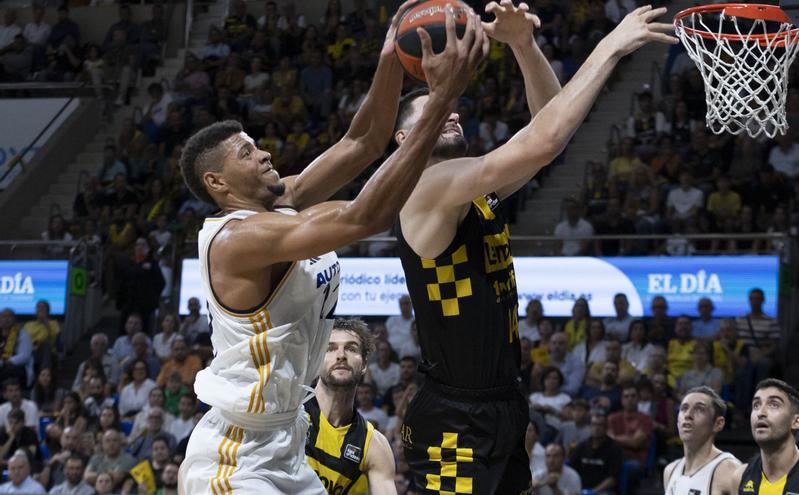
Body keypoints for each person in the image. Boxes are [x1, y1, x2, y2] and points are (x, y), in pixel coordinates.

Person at [179, 3, 483, 493]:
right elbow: (367, 215)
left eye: (257, 145)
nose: (264, 153)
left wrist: (389, 54)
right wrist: (441, 100)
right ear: (217, 181)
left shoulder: (283, 204)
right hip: (235, 456)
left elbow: (363, 141)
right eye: (247, 153)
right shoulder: (238, 240)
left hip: (288, 439)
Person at [391, 3, 674, 492]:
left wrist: (523, 46)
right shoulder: (422, 189)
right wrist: (610, 46)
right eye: (432, 111)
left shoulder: (470, 192)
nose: (451, 111)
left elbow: (550, 133)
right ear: (402, 139)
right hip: (456, 416)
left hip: (501, 402)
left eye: (451, 107)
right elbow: (543, 142)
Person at [304, 319, 396, 494]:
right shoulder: (288, 415)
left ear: (364, 365)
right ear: (317, 360)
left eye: (351, 348)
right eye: (330, 348)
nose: (341, 355)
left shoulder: (375, 447)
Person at [663, 386, 741, 495]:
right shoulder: (670, 471)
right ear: (677, 422)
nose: (688, 415)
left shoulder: (731, 471)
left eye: (699, 409)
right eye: (684, 408)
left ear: (718, 424)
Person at [569, 411, 624, 495]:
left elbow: (612, 479)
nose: (596, 428)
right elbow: (571, 471)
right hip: (580, 489)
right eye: (594, 424)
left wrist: (593, 492)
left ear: (606, 428)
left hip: (603, 491)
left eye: (600, 425)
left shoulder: (615, 448)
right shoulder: (582, 446)